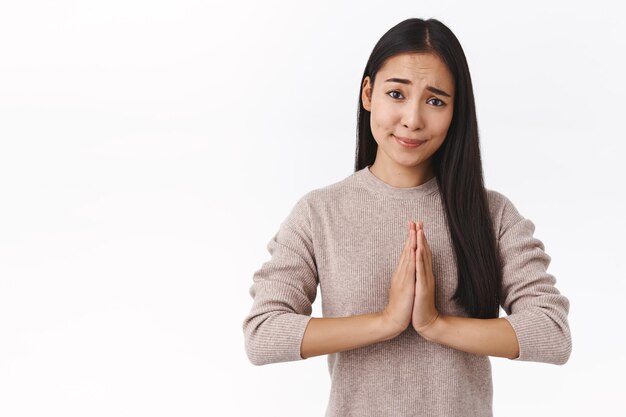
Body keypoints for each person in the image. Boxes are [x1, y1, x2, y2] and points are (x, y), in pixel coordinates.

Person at [242, 17, 572, 417]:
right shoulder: (319, 213)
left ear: (455, 112)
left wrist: (436, 325)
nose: (413, 118)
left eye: (435, 101)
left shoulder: (492, 214)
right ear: (368, 93)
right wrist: (386, 322)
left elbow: (553, 334)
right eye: (396, 93)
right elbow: (263, 335)